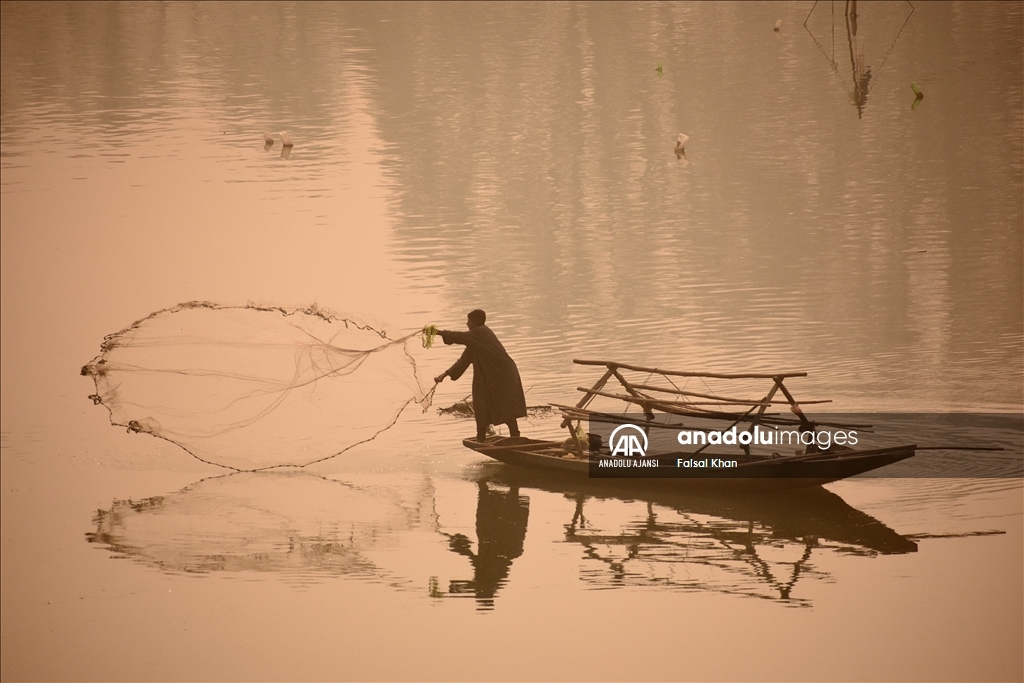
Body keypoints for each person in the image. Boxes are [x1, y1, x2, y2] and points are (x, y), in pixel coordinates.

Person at [433, 309, 527, 441]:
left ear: (475, 321)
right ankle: (481, 437)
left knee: (505, 406)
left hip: (503, 375)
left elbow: (461, 337)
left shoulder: (481, 332)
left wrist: (438, 332)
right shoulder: (475, 341)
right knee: (481, 404)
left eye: (469, 321)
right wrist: (444, 374)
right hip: (490, 377)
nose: (467, 324)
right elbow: (463, 361)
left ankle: (515, 437)